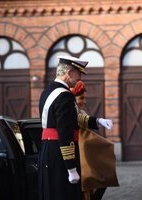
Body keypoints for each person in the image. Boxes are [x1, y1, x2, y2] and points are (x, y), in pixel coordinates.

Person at [38, 55, 89, 200]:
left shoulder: (47, 91)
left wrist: (96, 121)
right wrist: (71, 168)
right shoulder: (64, 95)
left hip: (49, 150)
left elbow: (65, 120)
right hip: (60, 155)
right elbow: (65, 132)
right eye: (78, 73)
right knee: (64, 194)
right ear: (69, 72)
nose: (80, 78)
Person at [70, 80, 118, 200]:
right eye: (81, 98)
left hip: (86, 157)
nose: (84, 102)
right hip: (78, 159)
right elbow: (80, 119)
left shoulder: (81, 111)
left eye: (85, 98)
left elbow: (83, 119)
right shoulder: (71, 110)